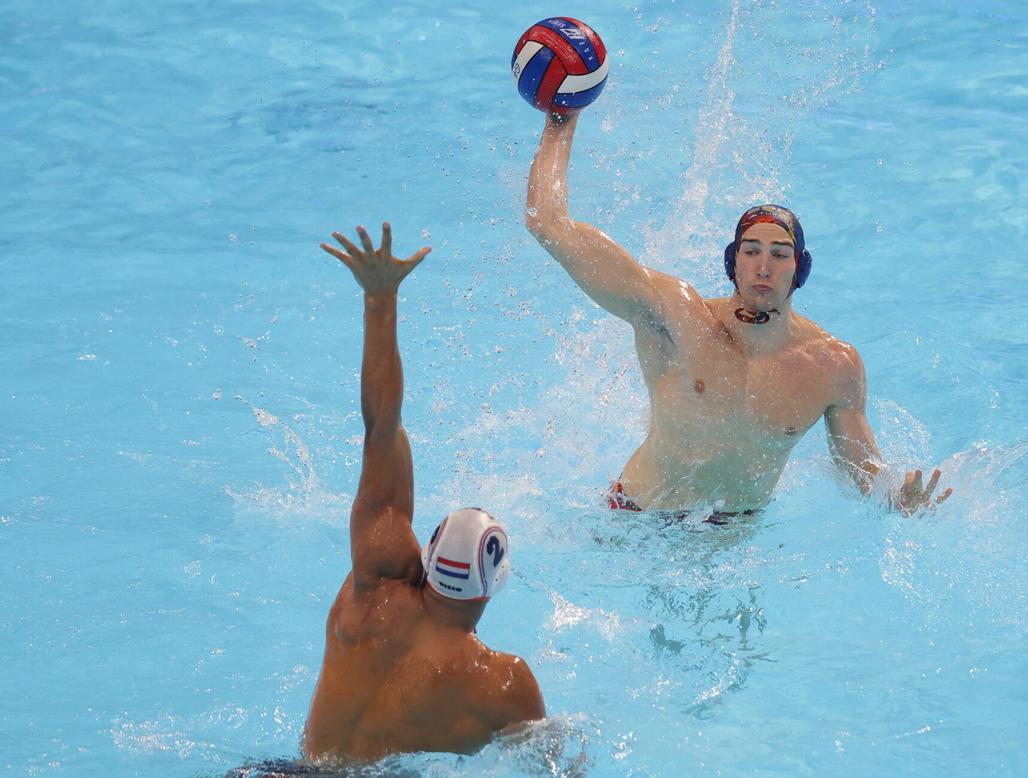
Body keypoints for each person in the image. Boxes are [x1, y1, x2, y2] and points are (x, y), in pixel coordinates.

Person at [525, 113, 952, 516]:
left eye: (779, 255)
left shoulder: (832, 366)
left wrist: (894, 495)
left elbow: (860, 470)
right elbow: (549, 224)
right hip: (636, 518)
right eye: (751, 252)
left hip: (730, 538)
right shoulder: (676, 315)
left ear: (800, 269)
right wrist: (561, 122)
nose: (763, 267)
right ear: (733, 261)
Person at [301, 223, 544, 763]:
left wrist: (379, 300)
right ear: (495, 583)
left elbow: (380, 427)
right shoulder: (502, 684)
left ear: (428, 558)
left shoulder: (375, 583)